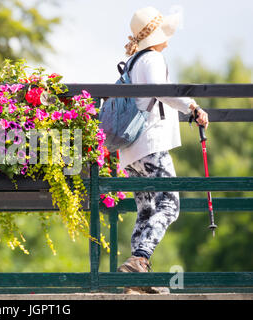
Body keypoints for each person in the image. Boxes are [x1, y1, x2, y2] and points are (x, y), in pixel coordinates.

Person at [116, 6, 209, 294]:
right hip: (150, 143)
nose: (168, 36)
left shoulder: (133, 62)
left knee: (147, 210)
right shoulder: (153, 58)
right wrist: (192, 107)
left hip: (131, 150)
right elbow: (164, 91)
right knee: (169, 204)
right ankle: (140, 259)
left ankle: (138, 278)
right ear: (154, 36)